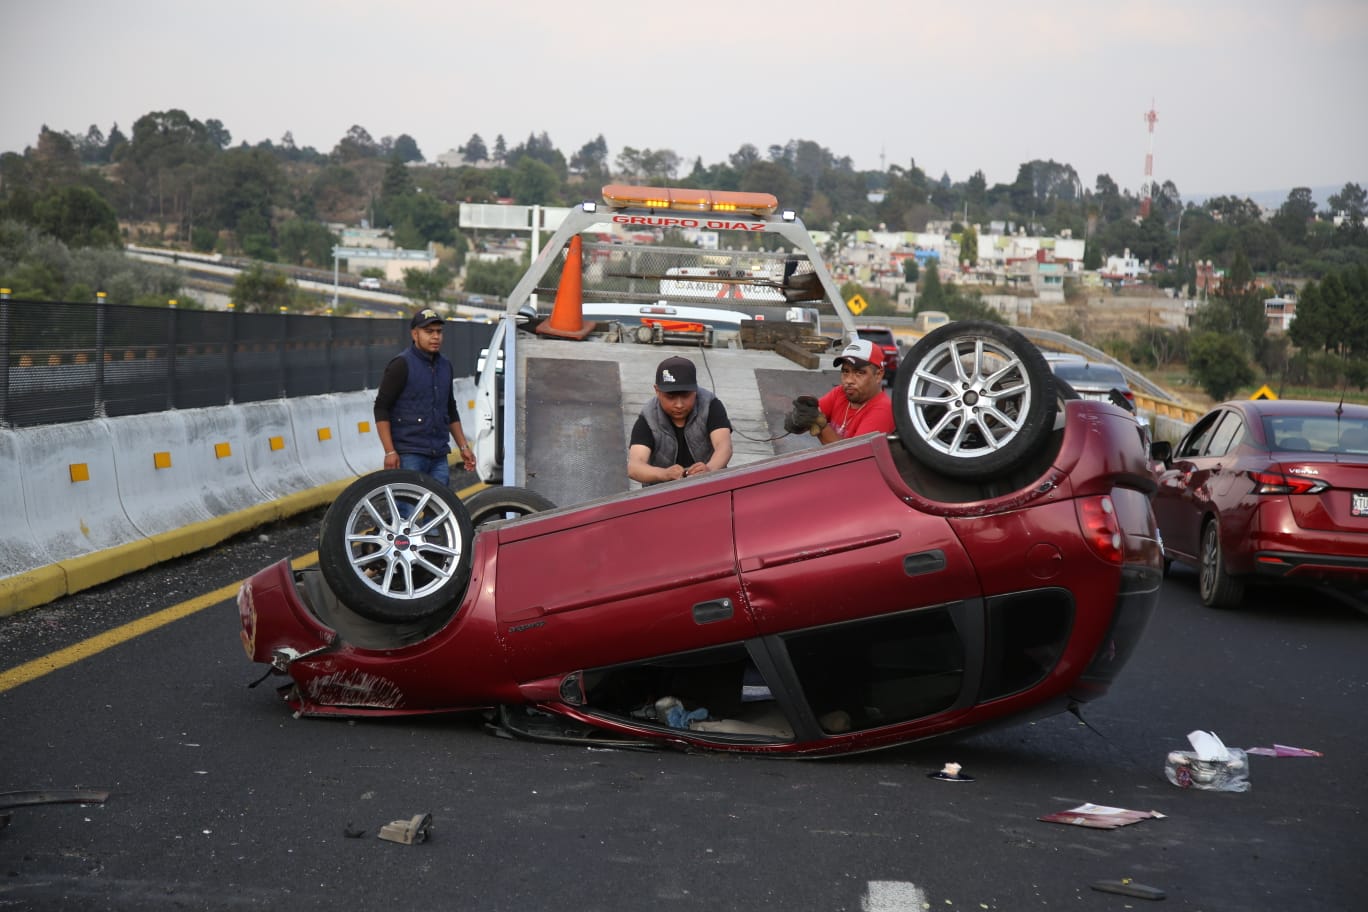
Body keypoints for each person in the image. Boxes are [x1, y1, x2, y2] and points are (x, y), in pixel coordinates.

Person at [373, 308, 474, 487]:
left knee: (439, 510)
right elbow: (381, 408)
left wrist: (464, 447)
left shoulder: (445, 366)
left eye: (439, 332)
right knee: (406, 509)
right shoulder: (401, 365)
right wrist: (389, 451)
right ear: (415, 334)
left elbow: (450, 409)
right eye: (429, 332)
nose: (435, 337)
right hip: (409, 454)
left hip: (439, 456)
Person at [628, 355, 733, 485]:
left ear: (695, 390)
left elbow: (724, 446)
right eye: (670, 397)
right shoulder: (648, 417)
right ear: (657, 390)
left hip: (708, 486)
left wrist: (709, 469)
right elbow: (634, 467)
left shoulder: (710, 405)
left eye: (685, 396)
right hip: (662, 494)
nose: (679, 405)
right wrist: (664, 474)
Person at [785, 338, 895, 443]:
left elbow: (854, 457)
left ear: (878, 375)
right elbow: (809, 417)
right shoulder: (840, 393)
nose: (849, 380)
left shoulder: (883, 410)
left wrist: (821, 425)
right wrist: (797, 420)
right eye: (845, 371)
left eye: (859, 372)